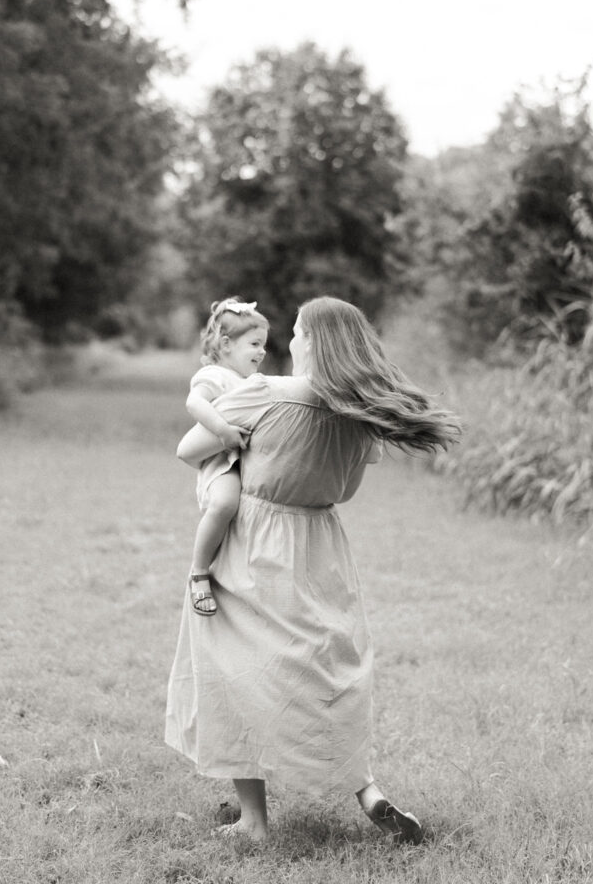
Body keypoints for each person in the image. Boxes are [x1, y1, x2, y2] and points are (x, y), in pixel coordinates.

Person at [166, 297, 460, 843]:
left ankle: (254, 821)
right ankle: (366, 789)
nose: (291, 342)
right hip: (320, 544)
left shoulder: (265, 393)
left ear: (316, 343)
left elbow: (189, 448)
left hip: (253, 541)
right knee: (325, 665)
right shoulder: (361, 414)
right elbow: (346, 488)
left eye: (299, 333)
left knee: (234, 671)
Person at [184, 298, 269, 616]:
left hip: (243, 462)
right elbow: (194, 403)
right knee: (224, 504)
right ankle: (199, 571)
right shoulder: (215, 376)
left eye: (263, 345)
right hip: (220, 463)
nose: (262, 352)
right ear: (226, 344)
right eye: (255, 343)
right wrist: (222, 430)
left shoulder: (251, 381)